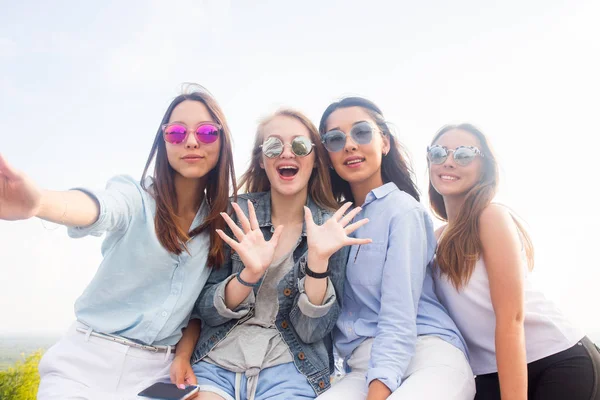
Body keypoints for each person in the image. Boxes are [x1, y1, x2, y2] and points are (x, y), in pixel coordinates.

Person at [0, 84, 236, 399]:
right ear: (163, 141)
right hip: (86, 363)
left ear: (222, 141)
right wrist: (39, 203)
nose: (191, 141)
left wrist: (182, 355)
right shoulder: (135, 197)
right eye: (177, 133)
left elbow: (198, 310)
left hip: (157, 374)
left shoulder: (219, 225)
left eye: (207, 132)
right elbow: (100, 208)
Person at [171, 109, 370, 400]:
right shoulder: (234, 213)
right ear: (261, 160)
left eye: (300, 146)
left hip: (292, 370)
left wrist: (317, 262)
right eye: (275, 146)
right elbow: (204, 311)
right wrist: (248, 275)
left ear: (315, 160)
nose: (287, 153)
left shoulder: (333, 226)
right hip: (216, 362)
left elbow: (313, 331)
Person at [316, 98, 475, 400]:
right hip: (361, 368)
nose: (349, 145)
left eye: (361, 132)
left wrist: (379, 391)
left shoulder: (403, 211)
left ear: (384, 142)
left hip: (425, 356)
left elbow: (399, 315)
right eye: (335, 139)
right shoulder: (330, 222)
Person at [428, 123, 600, 400]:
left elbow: (511, 318)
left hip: (557, 361)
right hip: (488, 373)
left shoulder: (490, 216)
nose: (448, 162)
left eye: (463, 154)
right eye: (438, 153)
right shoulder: (432, 240)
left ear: (484, 167)